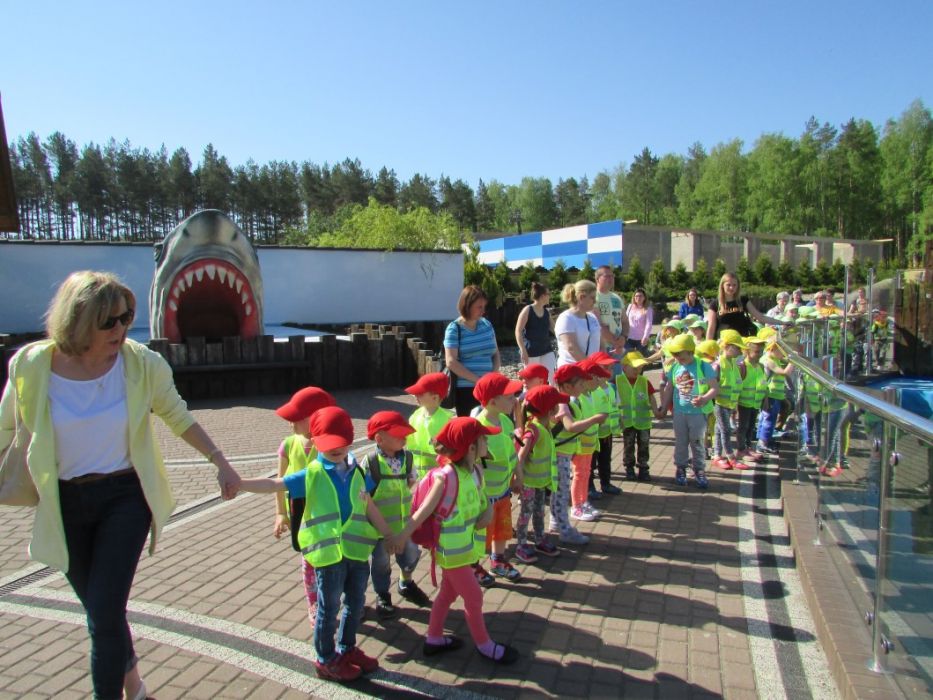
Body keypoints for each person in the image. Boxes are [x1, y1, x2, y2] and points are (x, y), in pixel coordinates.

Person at [0, 270, 240, 700]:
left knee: (105, 610)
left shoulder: (141, 363)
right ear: (77, 321)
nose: (121, 328)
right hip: (63, 504)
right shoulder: (32, 366)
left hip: (125, 499)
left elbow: (177, 415)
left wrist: (220, 461)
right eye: (108, 321)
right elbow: (5, 428)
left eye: (126, 317)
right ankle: (136, 687)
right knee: (102, 613)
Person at [237, 406, 399, 682]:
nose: (335, 449)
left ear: (350, 441)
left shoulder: (357, 471)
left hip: (356, 552)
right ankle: (325, 659)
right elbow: (276, 484)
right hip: (328, 557)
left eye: (340, 443)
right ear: (314, 441)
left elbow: (368, 505)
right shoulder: (311, 474)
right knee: (329, 608)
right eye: (327, 443)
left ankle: (346, 649)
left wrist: (387, 533)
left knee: (356, 603)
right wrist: (240, 483)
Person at [394, 417, 520, 664]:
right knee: (474, 597)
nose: (487, 442)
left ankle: (433, 639)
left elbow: (481, 503)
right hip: (451, 553)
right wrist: (401, 537)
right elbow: (421, 513)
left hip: (466, 548)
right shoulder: (445, 478)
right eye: (483, 439)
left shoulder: (476, 471)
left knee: (447, 595)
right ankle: (485, 645)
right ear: (471, 447)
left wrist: (487, 512)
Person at [272, 386, 337, 633]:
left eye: (296, 418)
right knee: (308, 559)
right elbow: (279, 482)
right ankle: (314, 603)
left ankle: (337, 596)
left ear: (316, 417)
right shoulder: (288, 445)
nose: (290, 423)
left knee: (333, 557)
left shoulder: (331, 444)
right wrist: (280, 513)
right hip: (300, 510)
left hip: (327, 510)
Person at [363, 411, 432, 619]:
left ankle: (406, 582)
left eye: (405, 434)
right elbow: (365, 496)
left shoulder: (407, 458)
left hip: (404, 526)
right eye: (398, 435)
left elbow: (410, 481)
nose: (404, 438)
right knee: (381, 564)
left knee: (411, 555)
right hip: (380, 530)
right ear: (379, 439)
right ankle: (382, 595)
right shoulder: (371, 462)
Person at [472, 373, 523, 582]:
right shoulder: (478, 429)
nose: (515, 400)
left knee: (502, 529)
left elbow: (513, 452)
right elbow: (472, 464)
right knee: (481, 533)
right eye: (509, 397)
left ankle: (498, 561)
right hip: (484, 496)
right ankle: (473, 565)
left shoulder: (506, 422)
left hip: (503, 491)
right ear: (493, 402)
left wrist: (518, 475)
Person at [550, 363, 605, 544]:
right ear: (567, 386)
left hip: (563, 453)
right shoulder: (562, 403)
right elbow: (570, 427)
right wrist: (594, 419)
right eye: (580, 384)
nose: (583, 387)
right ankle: (565, 530)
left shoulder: (566, 400)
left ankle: (556, 523)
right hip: (560, 454)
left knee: (558, 492)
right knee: (562, 493)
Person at [657, 334, 720, 489]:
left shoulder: (703, 366)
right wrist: (664, 406)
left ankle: (699, 470)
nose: (677, 357)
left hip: (698, 413)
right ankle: (681, 468)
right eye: (674, 354)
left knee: (697, 442)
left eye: (680, 353)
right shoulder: (675, 367)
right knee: (681, 442)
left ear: (690, 350)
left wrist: (704, 398)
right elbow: (669, 388)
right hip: (679, 412)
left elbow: (714, 388)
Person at [512, 385, 566, 563]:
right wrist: (518, 479)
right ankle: (521, 545)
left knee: (539, 512)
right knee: (525, 514)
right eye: (557, 404)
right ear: (550, 409)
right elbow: (520, 456)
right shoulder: (533, 430)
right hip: (529, 483)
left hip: (541, 482)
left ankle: (539, 538)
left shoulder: (545, 426)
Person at [444, 285, 500, 417]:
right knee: (470, 427)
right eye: (479, 307)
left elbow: (495, 353)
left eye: (484, 306)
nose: (483, 311)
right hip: (466, 389)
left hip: (488, 388)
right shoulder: (454, 328)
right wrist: (478, 380)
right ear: (467, 305)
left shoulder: (486, 324)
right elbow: (451, 361)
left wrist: (493, 375)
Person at [615, 351, 661, 482]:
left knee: (644, 445)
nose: (637, 371)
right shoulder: (618, 381)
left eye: (640, 368)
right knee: (628, 445)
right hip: (627, 422)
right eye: (634, 367)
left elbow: (652, 397)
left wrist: (656, 411)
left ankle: (643, 467)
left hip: (643, 422)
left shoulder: (644, 381)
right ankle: (629, 468)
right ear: (624, 367)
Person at [710, 331, 751, 471]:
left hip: (730, 404)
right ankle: (731, 457)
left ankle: (716, 455)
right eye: (737, 347)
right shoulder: (718, 365)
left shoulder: (734, 363)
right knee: (726, 430)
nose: (740, 351)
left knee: (719, 428)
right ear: (727, 346)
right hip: (720, 403)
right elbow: (711, 385)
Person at [706, 272, 787, 339]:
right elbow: (711, 327)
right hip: (724, 343)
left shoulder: (743, 300)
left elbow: (760, 317)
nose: (731, 288)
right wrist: (708, 348)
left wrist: (783, 323)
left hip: (743, 340)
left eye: (734, 285)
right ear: (722, 285)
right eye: (728, 285)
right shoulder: (715, 304)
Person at [405, 372, 455, 478]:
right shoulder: (416, 415)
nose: (415, 396)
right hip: (418, 475)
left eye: (420, 394)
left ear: (435, 398)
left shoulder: (447, 420)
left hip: (439, 476)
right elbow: (409, 442)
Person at [736, 337, 768, 463]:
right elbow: (737, 386)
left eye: (761, 351)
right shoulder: (742, 367)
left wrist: (765, 400)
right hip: (743, 403)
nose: (759, 354)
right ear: (747, 351)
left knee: (751, 426)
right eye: (757, 351)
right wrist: (734, 405)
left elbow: (763, 384)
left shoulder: (760, 366)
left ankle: (748, 447)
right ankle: (741, 449)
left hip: (755, 403)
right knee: (743, 427)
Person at [555, 279, 602, 367]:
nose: (595, 301)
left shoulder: (593, 317)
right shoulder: (566, 318)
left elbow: (601, 342)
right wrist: (590, 367)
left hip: (592, 369)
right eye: (592, 298)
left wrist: (604, 362)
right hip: (572, 370)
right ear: (581, 297)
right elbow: (571, 347)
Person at [514, 282, 557, 376]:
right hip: (531, 352)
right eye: (548, 294)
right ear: (542, 296)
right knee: (532, 379)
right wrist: (523, 350)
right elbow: (518, 331)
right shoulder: (527, 310)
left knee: (553, 377)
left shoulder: (546, 312)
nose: (550, 296)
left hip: (546, 349)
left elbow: (555, 329)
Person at [593, 265, 629, 363]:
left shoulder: (616, 298)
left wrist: (623, 337)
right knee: (601, 373)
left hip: (617, 348)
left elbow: (625, 321)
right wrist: (616, 343)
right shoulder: (593, 297)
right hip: (600, 348)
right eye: (607, 276)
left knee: (617, 373)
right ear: (597, 279)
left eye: (612, 276)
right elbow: (597, 325)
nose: (611, 278)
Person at [625, 288, 654, 354]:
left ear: (644, 298)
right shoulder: (630, 306)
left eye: (640, 296)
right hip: (629, 338)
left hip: (641, 339)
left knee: (640, 358)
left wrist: (645, 336)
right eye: (636, 296)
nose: (638, 297)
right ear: (634, 297)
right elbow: (625, 320)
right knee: (628, 357)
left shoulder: (648, 309)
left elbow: (649, 324)